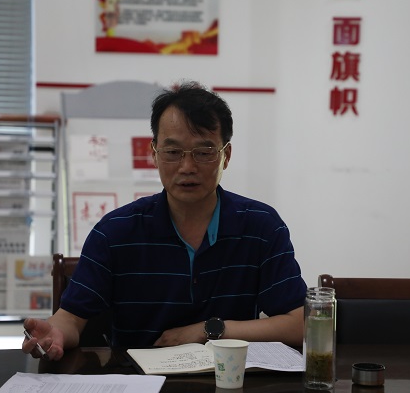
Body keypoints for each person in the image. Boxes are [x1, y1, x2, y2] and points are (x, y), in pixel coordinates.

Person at [23, 81, 307, 360]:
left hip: (228, 379)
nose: (187, 167)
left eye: (204, 153)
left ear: (226, 156)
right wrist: (54, 333)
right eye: (173, 152)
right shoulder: (115, 233)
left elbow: (300, 324)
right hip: (137, 380)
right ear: (154, 154)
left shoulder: (261, 226)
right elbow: (70, 319)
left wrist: (210, 330)